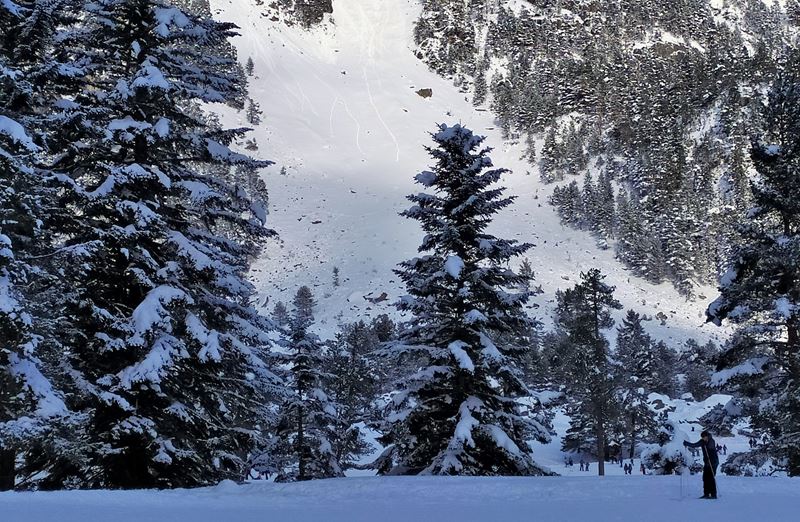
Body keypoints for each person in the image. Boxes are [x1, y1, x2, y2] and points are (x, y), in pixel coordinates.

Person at [684, 430, 719, 499]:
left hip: (713, 462)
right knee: (705, 478)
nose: (703, 438)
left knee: (711, 478)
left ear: (707, 436)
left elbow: (711, 449)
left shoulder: (711, 441)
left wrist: (705, 444)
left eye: (704, 437)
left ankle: (713, 494)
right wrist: (686, 443)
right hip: (707, 462)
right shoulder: (702, 441)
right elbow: (694, 445)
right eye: (702, 437)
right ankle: (706, 493)